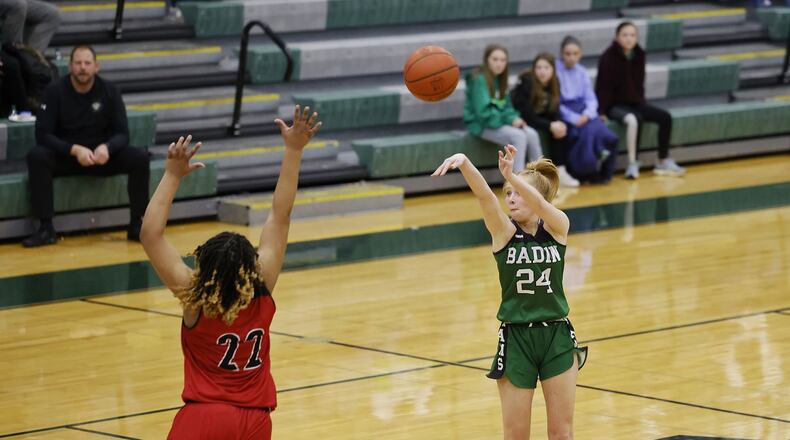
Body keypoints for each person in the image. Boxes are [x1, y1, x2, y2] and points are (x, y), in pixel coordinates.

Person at [140, 105, 321, 440]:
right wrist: (293, 151)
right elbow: (280, 215)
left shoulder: (194, 296)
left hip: (202, 417)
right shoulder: (262, 286)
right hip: (254, 421)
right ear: (250, 266)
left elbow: (150, 235)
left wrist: (172, 175)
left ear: (204, 267)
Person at [432, 145, 587, 440]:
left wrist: (511, 177)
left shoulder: (558, 227)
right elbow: (485, 197)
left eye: (518, 192)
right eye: (509, 193)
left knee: (562, 434)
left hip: (556, 336)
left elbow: (542, 207)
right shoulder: (503, 232)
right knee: (516, 435)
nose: (512, 198)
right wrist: (465, 163)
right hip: (517, 338)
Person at [23, 45, 149, 247]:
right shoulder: (55, 91)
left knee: (140, 158)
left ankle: (137, 224)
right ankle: (46, 228)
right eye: (78, 63)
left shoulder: (110, 91)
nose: (83, 67)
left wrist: (107, 148)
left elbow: (123, 134)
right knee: (37, 156)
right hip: (69, 157)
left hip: (102, 157)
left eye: (87, 63)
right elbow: (43, 135)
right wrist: (74, 149)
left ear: (96, 66)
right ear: (70, 66)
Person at [596, 22, 686, 179]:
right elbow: (602, 87)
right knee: (634, 119)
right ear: (617, 37)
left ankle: (663, 160)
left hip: (635, 102)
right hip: (614, 105)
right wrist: (601, 111)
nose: (629, 39)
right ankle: (633, 163)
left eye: (632, 35)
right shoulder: (608, 57)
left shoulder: (640, 54)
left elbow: (639, 83)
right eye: (625, 35)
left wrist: (641, 102)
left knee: (665, 117)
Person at [464, 44, 542, 172]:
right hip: (481, 125)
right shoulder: (478, 80)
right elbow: (484, 114)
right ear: (486, 60)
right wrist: (509, 120)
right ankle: (516, 185)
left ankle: (540, 179)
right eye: (495, 59)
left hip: (498, 121)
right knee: (519, 137)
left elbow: (507, 106)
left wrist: (514, 118)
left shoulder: (500, 79)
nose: (499, 64)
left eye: (502, 60)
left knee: (532, 134)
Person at [555, 36, 619, 184]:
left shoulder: (582, 71)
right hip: (568, 115)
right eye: (568, 54)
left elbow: (591, 98)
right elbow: (556, 103)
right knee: (587, 135)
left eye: (575, 54)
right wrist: (573, 118)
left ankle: (605, 173)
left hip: (586, 113)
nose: (571, 58)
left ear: (580, 54)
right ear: (561, 54)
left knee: (609, 137)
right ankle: (586, 171)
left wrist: (587, 114)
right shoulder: (555, 71)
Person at [511, 53, 580, 187]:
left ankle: (560, 170)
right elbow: (527, 115)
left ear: (553, 69)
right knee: (539, 131)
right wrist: (550, 125)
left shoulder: (555, 83)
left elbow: (555, 108)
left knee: (562, 128)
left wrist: (558, 123)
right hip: (523, 119)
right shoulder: (527, 82)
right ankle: (536, 176)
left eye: (546, 68)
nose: (542, 71)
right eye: (539, 68)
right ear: (534, 69)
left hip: (541, 117)